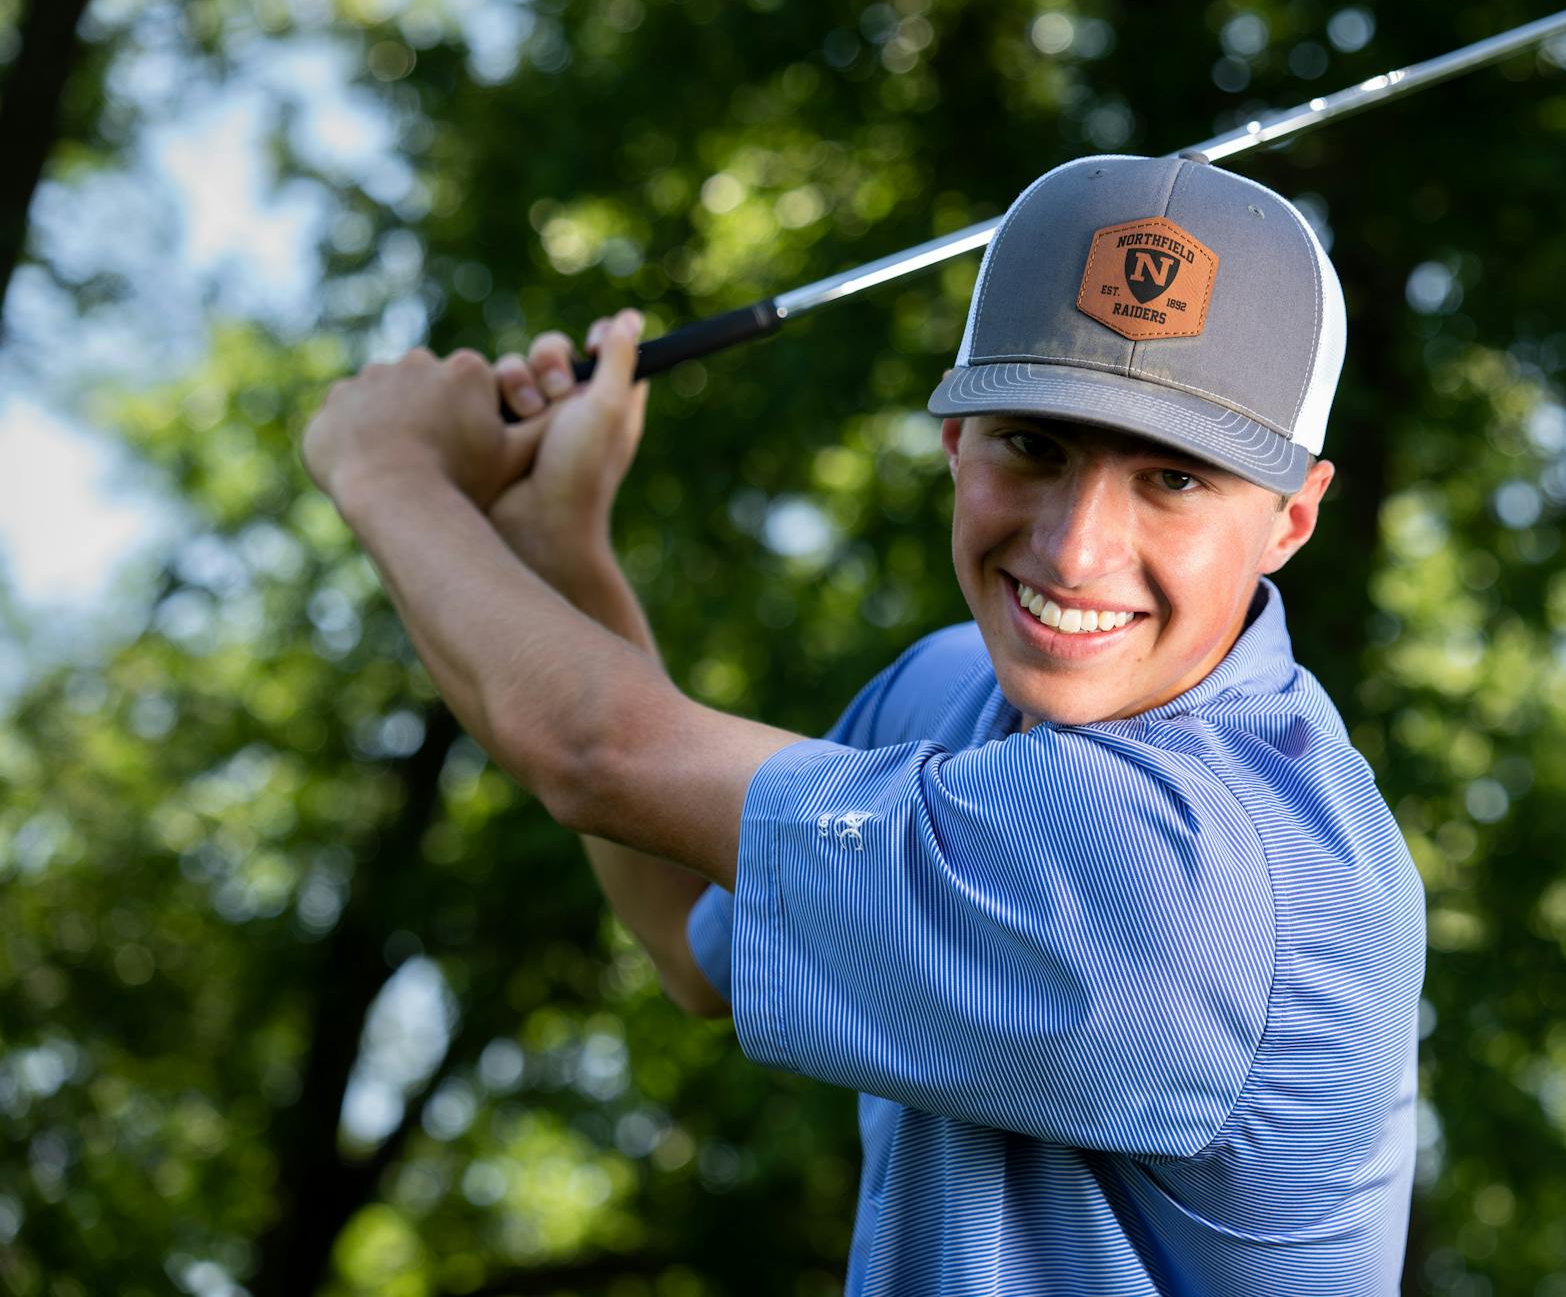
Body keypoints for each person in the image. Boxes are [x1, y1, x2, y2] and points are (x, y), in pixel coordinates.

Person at [303, 154, 1425, 1295]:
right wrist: (557, 548)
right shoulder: (954, 694)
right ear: (954, 443)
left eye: (1175, 480)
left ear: (1291, 518)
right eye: (1034, 444)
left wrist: (389, 470)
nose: (1076, 550)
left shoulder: (1202, 876)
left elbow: (600, 753)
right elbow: (699, 933)